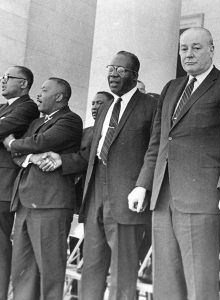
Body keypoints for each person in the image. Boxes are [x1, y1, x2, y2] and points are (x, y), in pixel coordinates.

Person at [128, 27, 220, 300]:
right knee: (166, 283)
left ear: (211, 49)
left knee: (200, 284)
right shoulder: (171, 88)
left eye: (196, 47)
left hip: (202, 199)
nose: (189, 54)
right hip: (163, 199)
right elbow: (158, 143)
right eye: (184, 48)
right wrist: (142, 184)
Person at [39, 51, 157, 300]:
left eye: (121, 70)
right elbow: (90, 156)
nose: (113, 74)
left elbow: (154, 151)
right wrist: (62, 160)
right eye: (111, 68)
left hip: (126, 200)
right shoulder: (106, 108)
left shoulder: (150, 107)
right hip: (94, 200)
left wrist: (143, 186)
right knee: (91, 268)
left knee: (122, 273)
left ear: (135, 76)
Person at [3, 77, 82, 300]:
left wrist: (12, 143)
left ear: (59, 97)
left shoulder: (70, 120)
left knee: (50, 271)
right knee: (23, 269)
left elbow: (40, 142)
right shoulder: (36, 123)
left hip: (51, 205)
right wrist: (31, 157)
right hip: (25, 203)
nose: (39, 93)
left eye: (45, 90)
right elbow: (19, 156)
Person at [0, 66, 39, 300]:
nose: (3, 81)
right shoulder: (4, 107)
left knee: (1, 246)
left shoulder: (26, 107)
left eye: (7, 78)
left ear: (23, 83)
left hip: (3, 186)